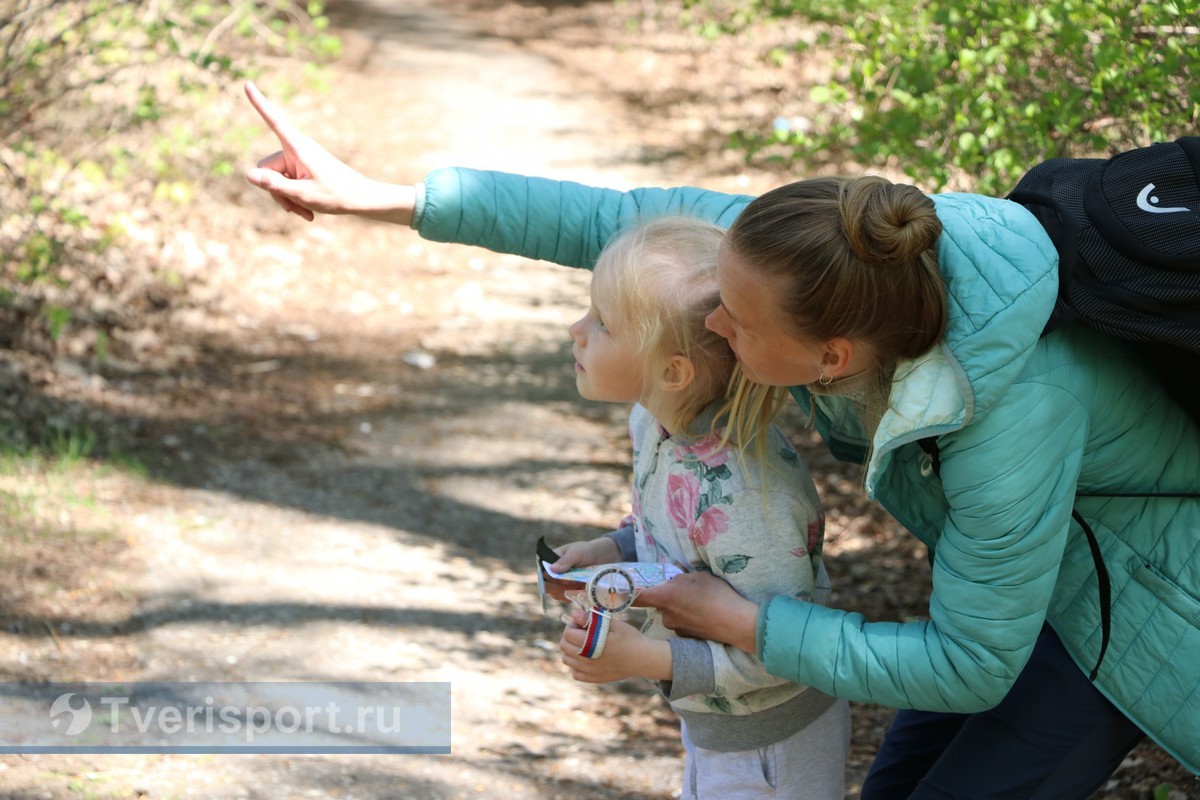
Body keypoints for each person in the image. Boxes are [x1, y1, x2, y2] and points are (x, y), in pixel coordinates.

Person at [243, 81, 1200, 795]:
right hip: (1019, 572)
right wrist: (395, 199)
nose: (713, 330)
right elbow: (623, 222)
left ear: (830, 357)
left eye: (735, 325)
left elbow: (967, 664)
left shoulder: (1013, 417)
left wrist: (750, 625)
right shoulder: (816, 258)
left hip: (1144, 602)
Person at [546, 215, 851, 799]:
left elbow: (786, 650)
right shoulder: (657, 423)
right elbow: (669, 531)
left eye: (603, 323)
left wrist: (646, 657)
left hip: (773, 741)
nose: (575, 329)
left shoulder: (748, 501)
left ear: (674, 371)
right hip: (717, 724)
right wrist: (611, 551)